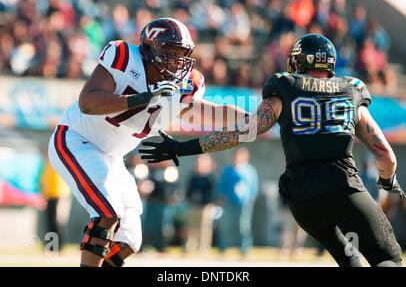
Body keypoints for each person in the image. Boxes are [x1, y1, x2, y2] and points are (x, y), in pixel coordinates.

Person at [140, 34, 405, 267]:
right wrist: (387, 181)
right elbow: (386, 156)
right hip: (344, 189)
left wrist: (180, 148)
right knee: (387, 258)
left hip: (303, 200)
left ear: (298, 62)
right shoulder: (351, 91)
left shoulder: (284, 87)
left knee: (349, 258)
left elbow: (244, 132)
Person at [48, 17, 247, 267]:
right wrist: (143, 98)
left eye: (182, 54)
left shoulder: (184, 85)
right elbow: (87, 102)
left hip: (111, 158)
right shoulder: (123, 56)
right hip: (76, 139)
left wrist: (262, 118)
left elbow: (214, 112)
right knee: (107, 212)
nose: (178, 61)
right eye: (172, 52)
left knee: (129, 238)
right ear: (152, 48)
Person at [216, 147, 258, 256]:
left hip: (245, 203)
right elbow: (222, 184)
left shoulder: (250, 170)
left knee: (244, 226)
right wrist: (222, 196)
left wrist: (252, 198)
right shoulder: (228, 169)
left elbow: (254, 186)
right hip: (229, 202)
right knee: (226, 225)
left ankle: (244, 249)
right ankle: (222, 248)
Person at [184, 154, 217, 255]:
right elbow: (189, 190)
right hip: (194, 205)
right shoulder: (194, 176)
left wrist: (207, 202)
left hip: (205, 206)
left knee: (205, 228)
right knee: (192, 227)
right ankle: (190, 247)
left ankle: (204, 248)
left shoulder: (210, 177)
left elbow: (213, 192)